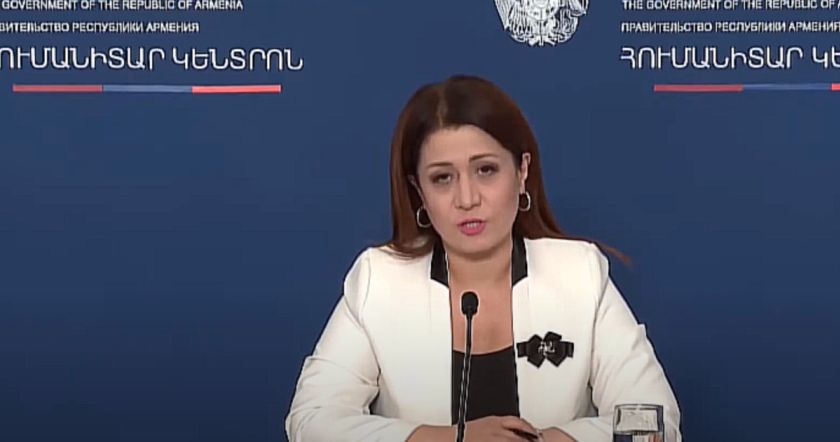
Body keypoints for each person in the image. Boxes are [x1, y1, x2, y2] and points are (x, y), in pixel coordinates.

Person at [285, 75, 682, 441]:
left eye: (486, 170)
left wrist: (545, 441)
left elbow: (657, 421)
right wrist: (452, 438)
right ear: (419, 191)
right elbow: (311, 421)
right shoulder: (379, 280)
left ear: (522, 172)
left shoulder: (579, 273)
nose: (467, 198)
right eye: (443, 178)